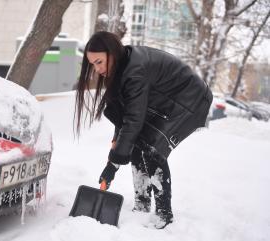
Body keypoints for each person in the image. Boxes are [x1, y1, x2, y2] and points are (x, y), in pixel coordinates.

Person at [74, 31, 212, 229]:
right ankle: (142, 203)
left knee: (151, 146)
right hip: (167, 99)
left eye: (99, 62)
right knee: (138, 142)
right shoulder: (121, 67)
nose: (96, 69)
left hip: (191, 99)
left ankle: (164, 214)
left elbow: (133, 121)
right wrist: (113, 162)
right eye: (92, 64)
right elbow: (125, 122)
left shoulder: (134, 71)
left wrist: (114, 161)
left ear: (112, 54)